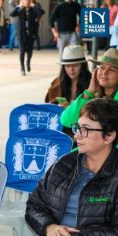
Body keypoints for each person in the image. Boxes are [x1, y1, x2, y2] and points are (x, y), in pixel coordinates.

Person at [26, 97, 118, 236]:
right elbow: (34, 205)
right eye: (77, 128)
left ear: (109, 136)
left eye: (85, 129)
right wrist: (49, 227)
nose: (77, 136)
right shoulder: (63, 164)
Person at [60, 48, 118, 129]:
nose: (104, 73)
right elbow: (67, 120)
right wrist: (89, 92)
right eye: (102, 67)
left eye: (112, 69)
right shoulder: (92, 95)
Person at [10, 0, 44, 76]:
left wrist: (34, 5)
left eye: (28, 1)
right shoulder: (20, 10)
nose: (26, 2)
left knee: (30, 52)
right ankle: (22, 68)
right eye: (25, 0)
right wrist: (18, 6)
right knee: (22, 51)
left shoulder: (33, 9)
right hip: (22, 35)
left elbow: (41, 12)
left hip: (31, 35)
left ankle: (28, 61)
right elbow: (11, 14)